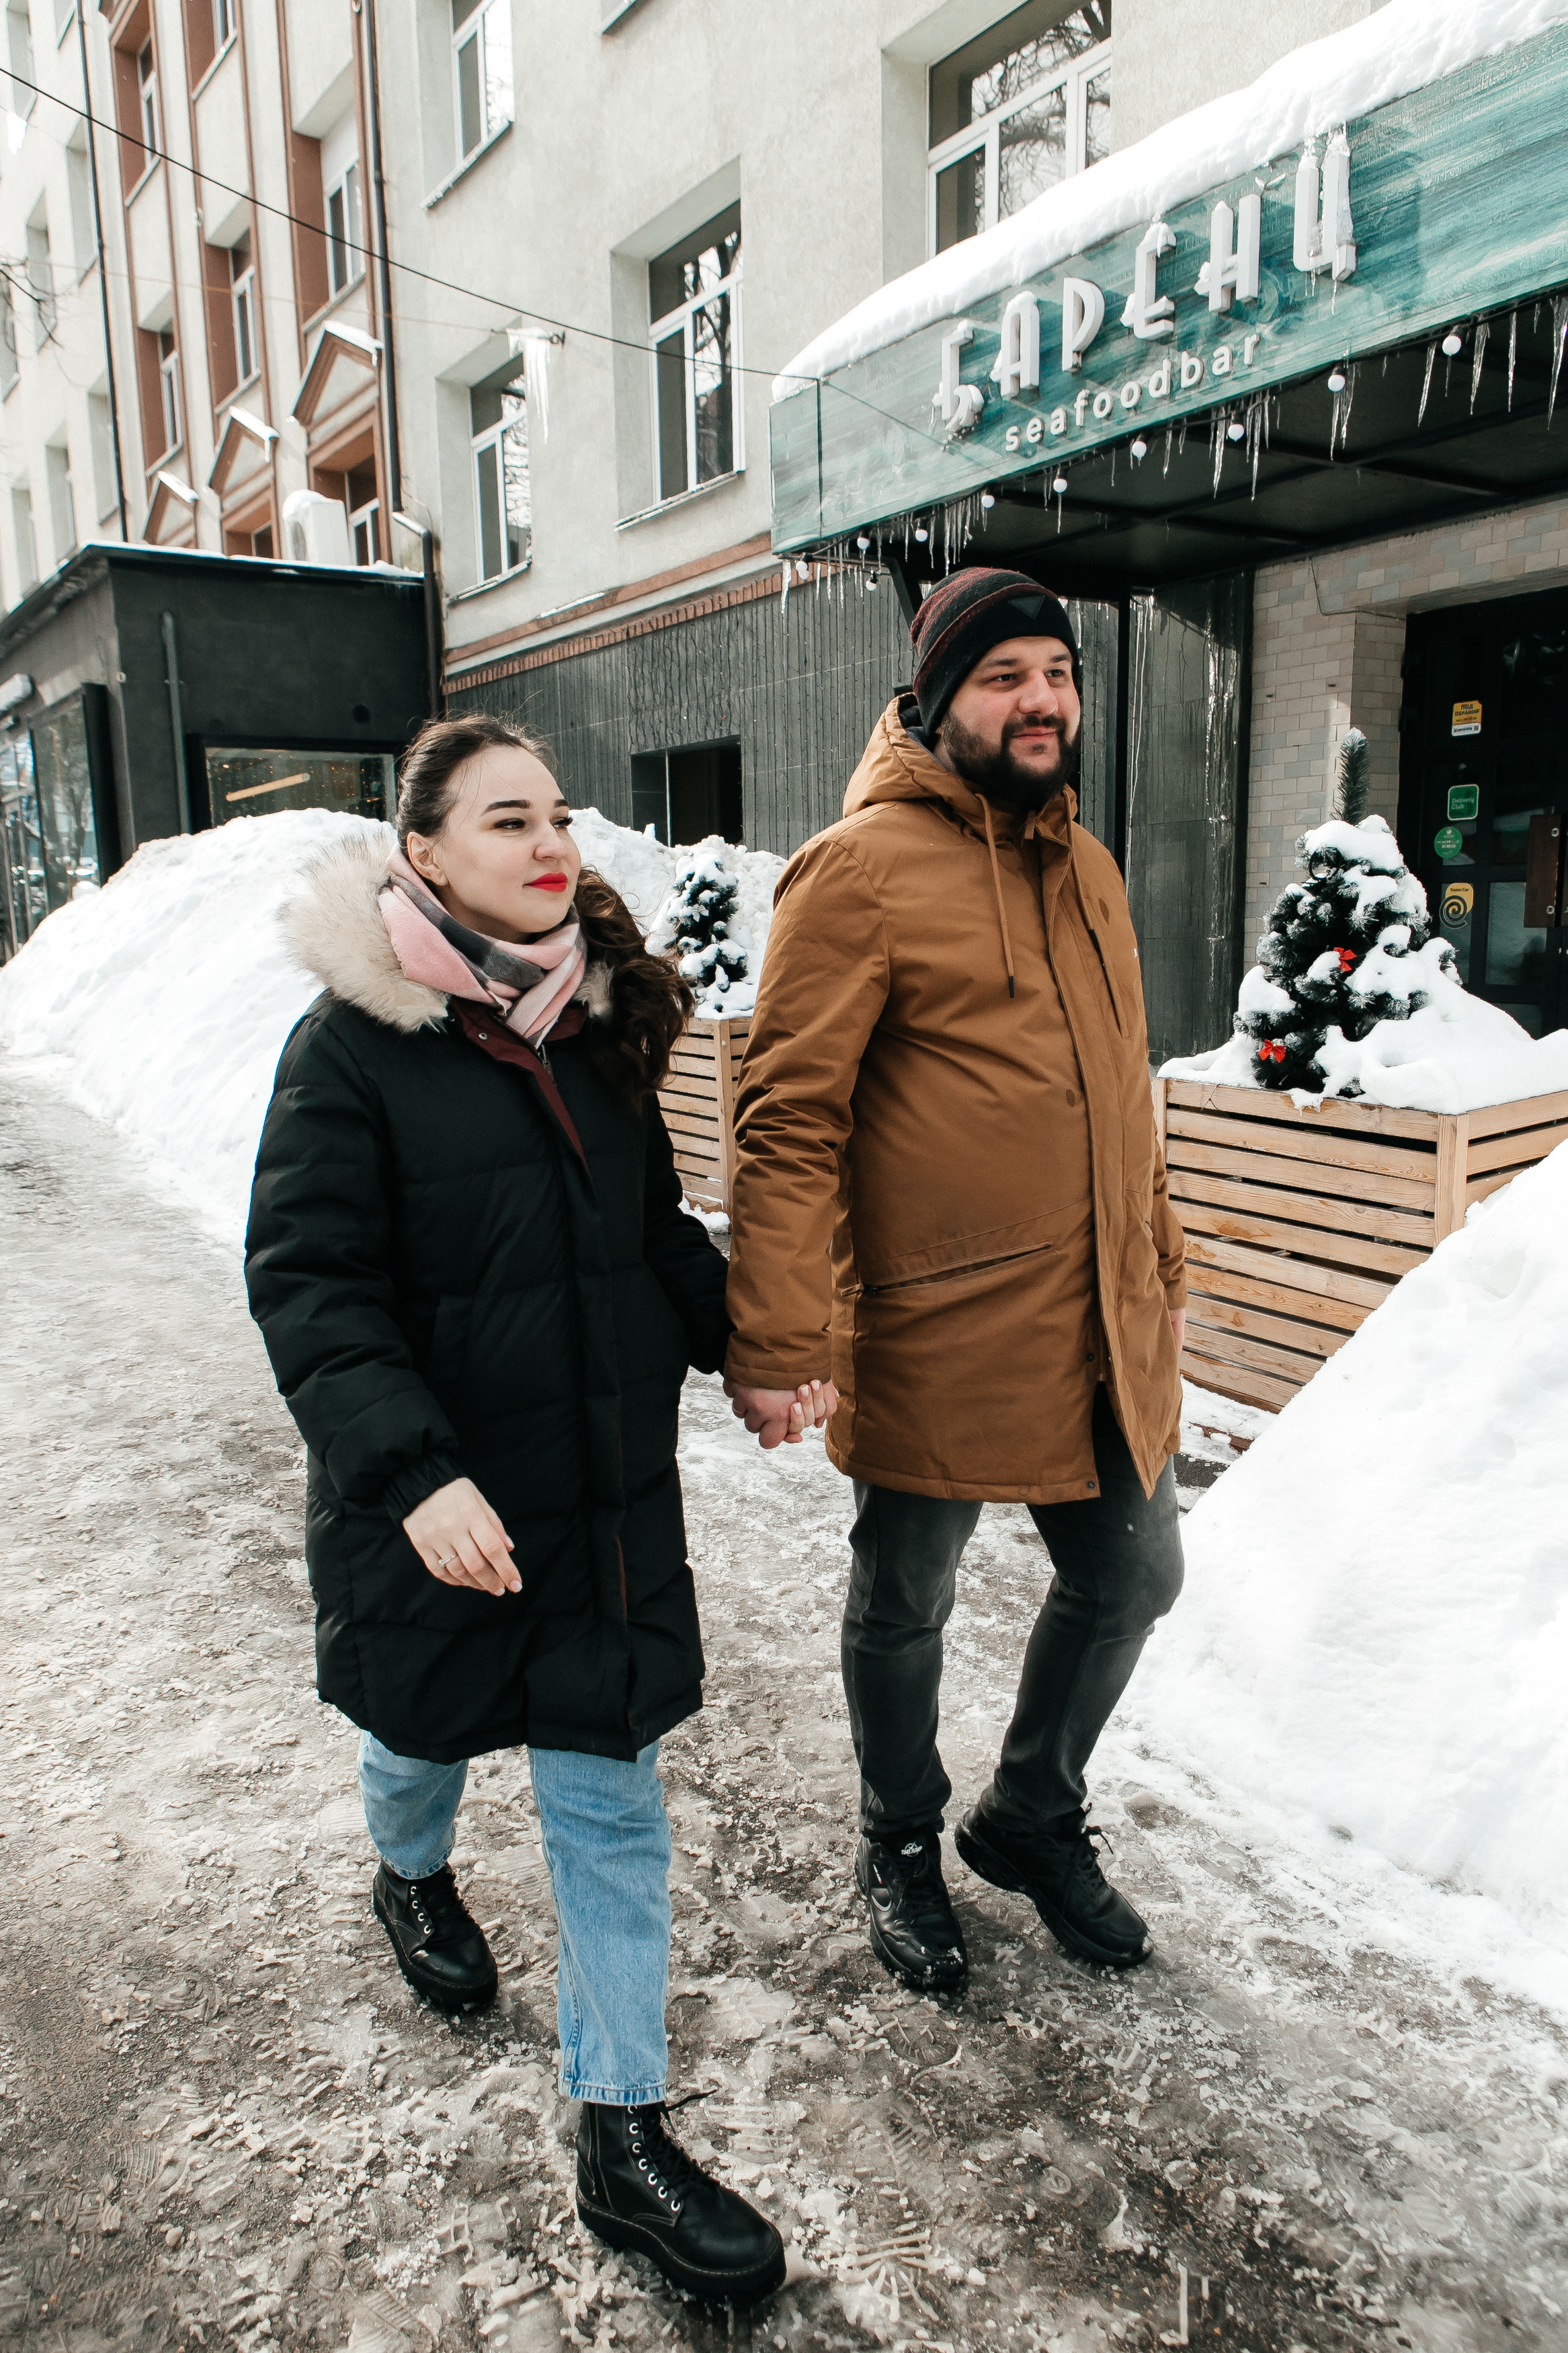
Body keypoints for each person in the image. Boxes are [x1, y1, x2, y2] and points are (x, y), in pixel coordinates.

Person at [245, 715, 793, 2305]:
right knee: (418, 1739)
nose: (551, 843)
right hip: (447, 1505)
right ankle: (409, 1872)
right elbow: (313, 1287)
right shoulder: (350, 1051)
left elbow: (651, 1234)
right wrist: (412, 1477)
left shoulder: (594, 1028)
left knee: (611, 1810)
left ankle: (623, 2133)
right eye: (506, 819)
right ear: (422, 852)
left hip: (602, 1500)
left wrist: (752, 1347)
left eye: (556, 815)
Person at [723, 568, 1187, 1993]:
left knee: (1135, 1574)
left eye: (1058, 671)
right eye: (1004, 677)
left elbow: (1122, 1095)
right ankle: (899, 1835)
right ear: (936, 701)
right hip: (937, 1321)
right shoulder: (855, 871)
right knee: (905, 1597)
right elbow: (788, 1120)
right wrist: (779, 1338)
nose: (1041, 699)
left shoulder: (1090, 868)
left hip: (1100, 1319)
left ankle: (1030, 1813)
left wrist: (1158, 1261)